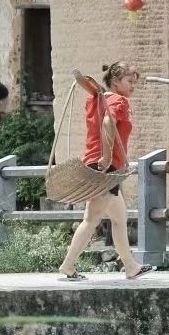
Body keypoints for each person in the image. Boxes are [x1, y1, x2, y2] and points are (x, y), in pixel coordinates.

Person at [59, 61, 148, 280]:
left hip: (95, 163)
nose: (132, 86)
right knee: (91, 219)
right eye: (129, 81)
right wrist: (108, 156)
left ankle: (130, 267)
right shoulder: (119, 101)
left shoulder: (95, 99)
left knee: (119, 217)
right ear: (116, 81)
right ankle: (67, 266)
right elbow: (108, 123)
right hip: (105, 167)